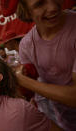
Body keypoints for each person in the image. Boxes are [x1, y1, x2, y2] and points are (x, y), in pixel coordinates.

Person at [16, 0, 76, 130]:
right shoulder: (26, 45)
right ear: (26, 11)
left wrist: (23, 81)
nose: (53, 7)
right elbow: (38, 92)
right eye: (39, 4)